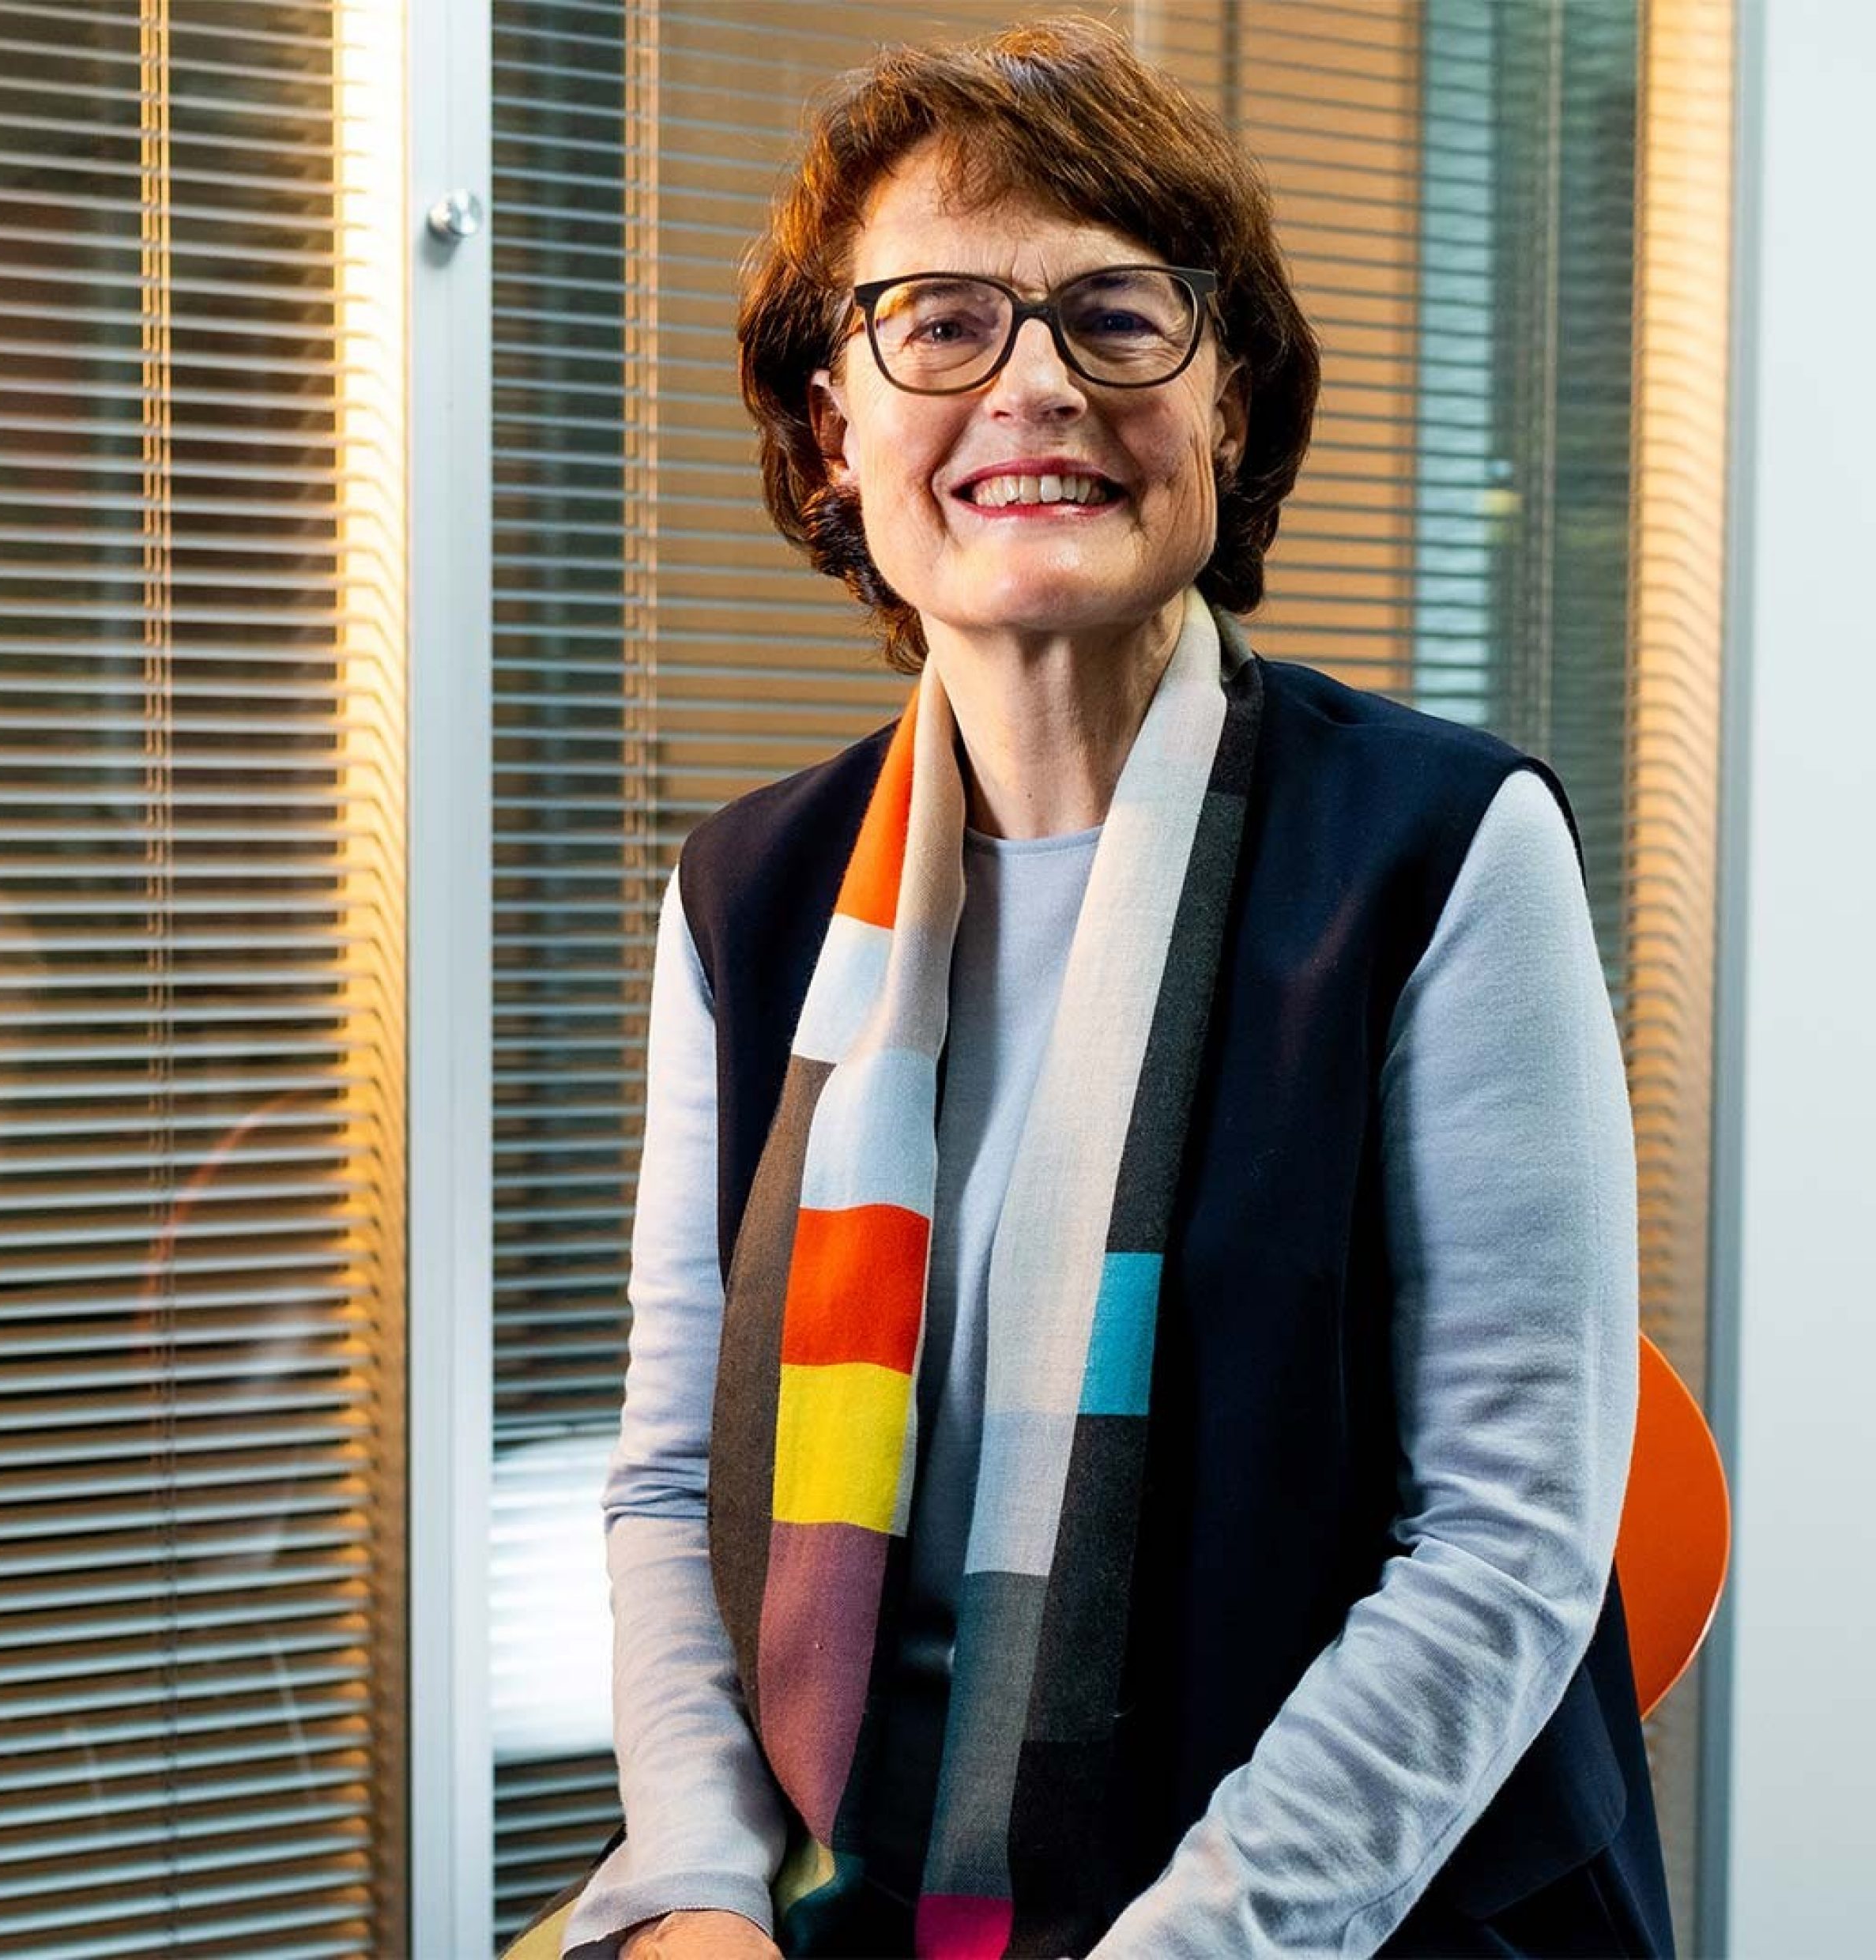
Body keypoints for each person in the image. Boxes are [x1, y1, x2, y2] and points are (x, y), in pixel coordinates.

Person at [549, 19, 1671, 1958]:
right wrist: (706, 1882)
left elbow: (1505, 1549)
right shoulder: (749, 893)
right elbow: (664, 1481)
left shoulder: (1442, 846)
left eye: (1116, 316)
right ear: (832, 424)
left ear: (1225, 409)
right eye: (937, 321)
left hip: (1334, 1905)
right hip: (850, 1885)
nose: (1035, 385)